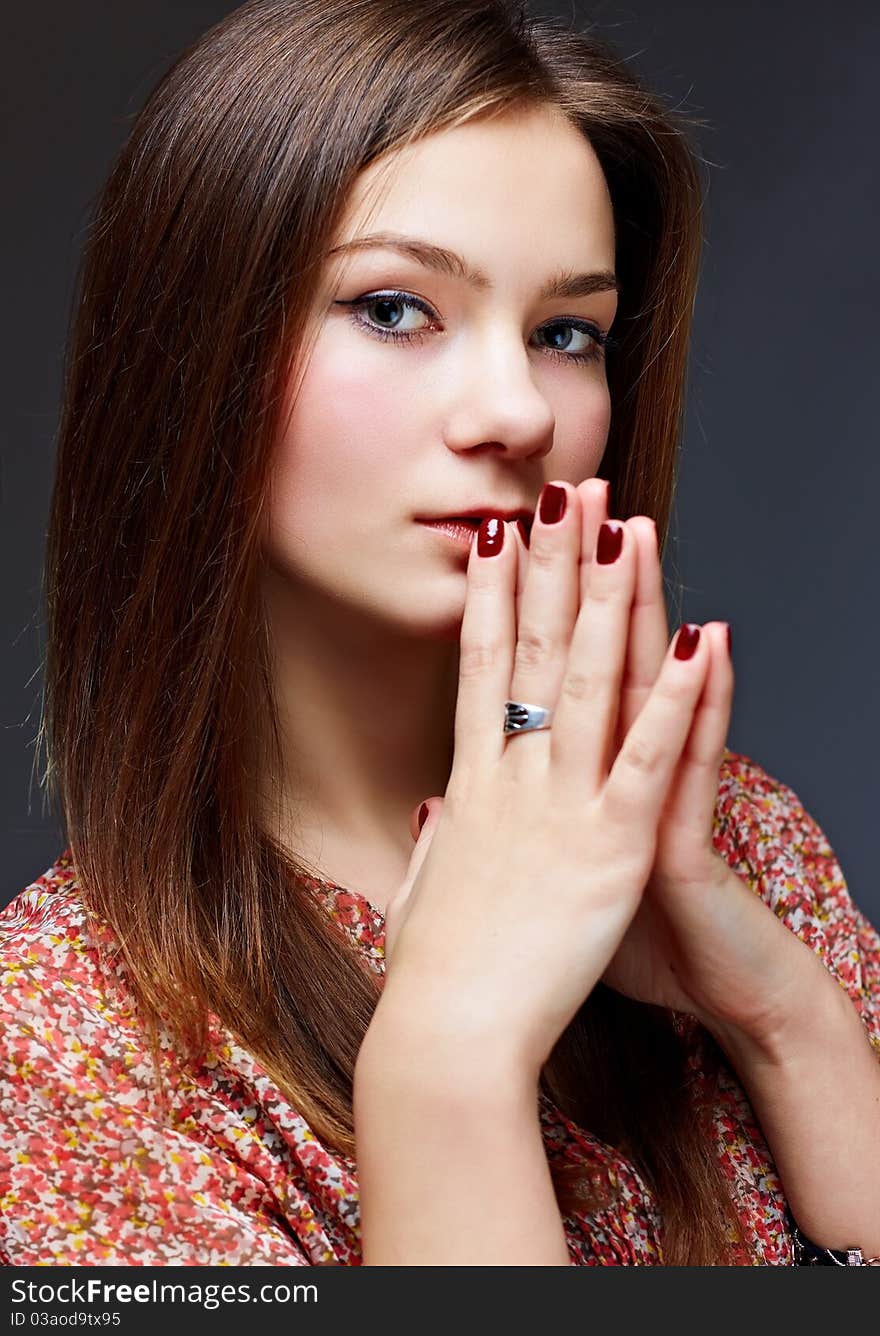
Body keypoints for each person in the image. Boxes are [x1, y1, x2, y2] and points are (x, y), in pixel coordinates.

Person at [1, 0, 878, 1268]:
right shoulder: (59, 1051)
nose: (517, 411)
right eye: (396, 310)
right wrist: (446, 1061)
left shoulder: (735, 846)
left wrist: (789, 1021)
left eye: (565, 332)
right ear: (197, 352)